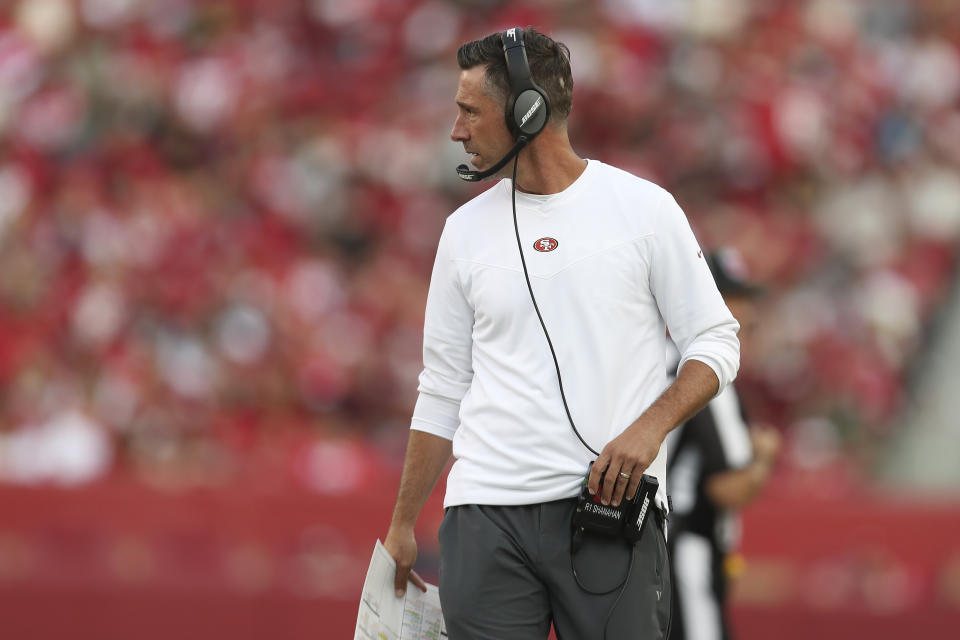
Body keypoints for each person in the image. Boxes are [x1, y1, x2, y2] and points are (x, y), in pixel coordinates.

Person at [383, 26, 740, 640]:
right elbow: (442, 386)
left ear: (528, 112)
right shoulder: (461, 232)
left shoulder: (644, 210)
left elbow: (716, 340)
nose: (456, 130)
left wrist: (647, 430)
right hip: (483, 516)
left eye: (469, 111)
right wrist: (402, 523)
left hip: (607, 511)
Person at [665, 248, 782, 640]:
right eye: (735, 299)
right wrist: (763, 459)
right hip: (683, 547)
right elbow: (727, 487)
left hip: (640, 547)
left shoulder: (655, 359)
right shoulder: (702, 371)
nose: (746, 314)